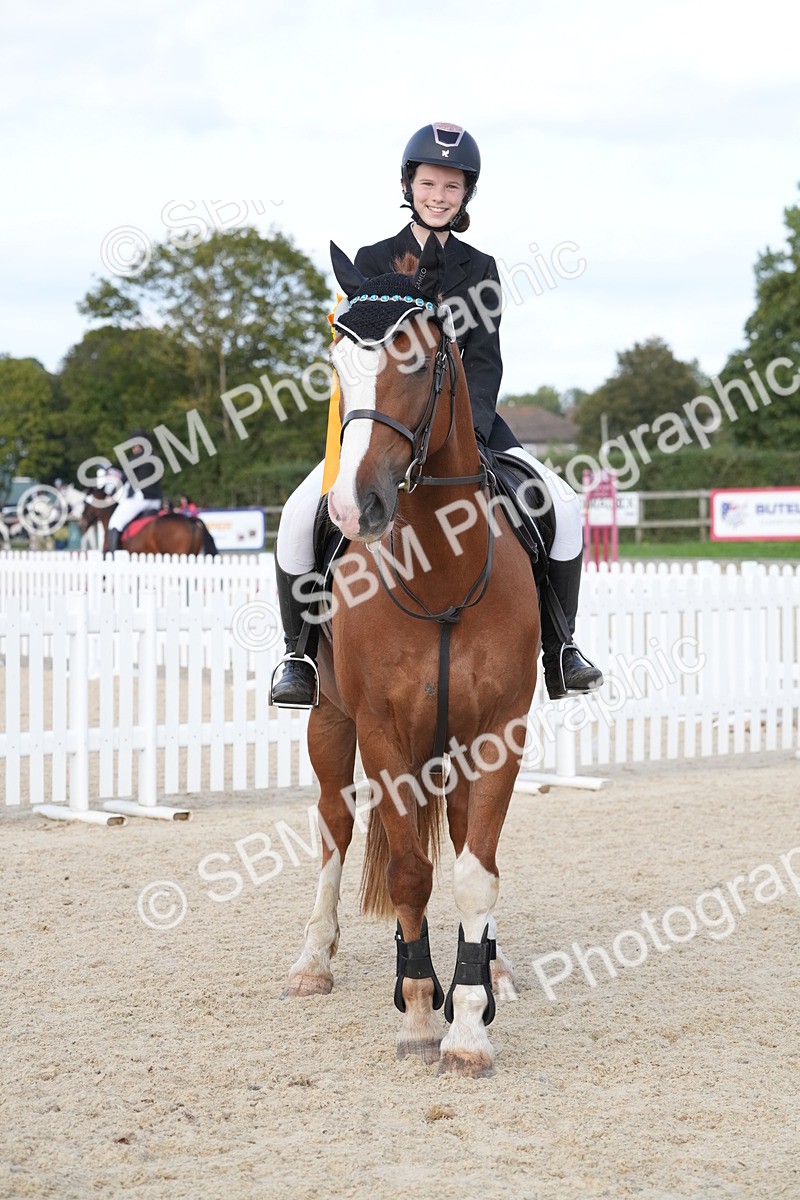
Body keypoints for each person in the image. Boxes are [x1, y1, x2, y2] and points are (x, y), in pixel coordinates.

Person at [271, 121, 602, 706]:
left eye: (453, 186)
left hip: (469, 427)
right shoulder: (372, 260)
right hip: (381, 423)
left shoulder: (481, 267)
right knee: (300, 516)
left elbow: (484, 358)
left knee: (567, 508)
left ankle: (561, 648)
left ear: (466, 194)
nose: (440, 196)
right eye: (430, 184)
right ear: (409, 185)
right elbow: (361, 359)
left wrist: (465, 433)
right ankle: (298, 655)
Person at [104, 430, 163, 554]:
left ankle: (114, 558)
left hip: (139, 499)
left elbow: (123, 478)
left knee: (115, 523)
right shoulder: (156, 458)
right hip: (156, 501)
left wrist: (110, 494)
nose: (133, 447)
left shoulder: (136, 458)